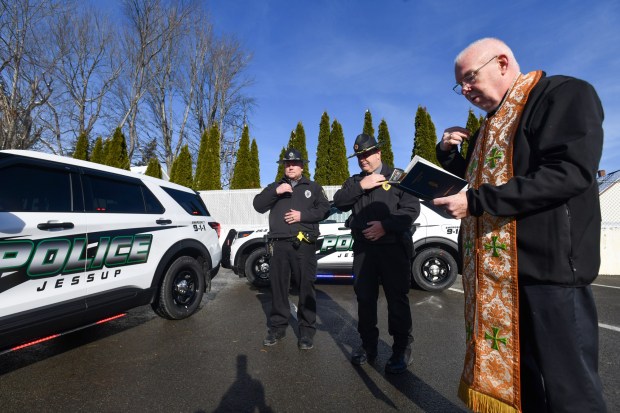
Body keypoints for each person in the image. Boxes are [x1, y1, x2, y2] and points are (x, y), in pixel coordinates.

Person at [434, 38, 607, 412]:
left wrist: (476, 202)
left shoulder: (563, 94)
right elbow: (476, 185)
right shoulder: (488, 127)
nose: (464, 90)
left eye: (469, 78)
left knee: (570, 393)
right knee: (521, 388)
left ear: (501, 62)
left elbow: (569, 173)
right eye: (459, 84)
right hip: (499, 279)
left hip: (550, 274)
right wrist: (448, 156)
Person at [333, 134, 420, 374]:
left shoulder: (397, 176)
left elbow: (412, 209)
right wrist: (362, 186)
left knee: (397, 299)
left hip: (393, 248)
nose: (363, 159)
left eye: (367, 154)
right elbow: (339, 202)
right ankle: (368, 345)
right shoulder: (354, 182)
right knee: (365, 299)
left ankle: (402, 347)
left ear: (379, 153)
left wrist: (385, 226)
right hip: (364, 251)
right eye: (359, 156)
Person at [253, 148, 329, 350]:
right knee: (278, 287)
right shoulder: (275, 187)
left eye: (294, 163)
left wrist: (302, 216)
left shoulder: (312, 187)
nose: (291, 166)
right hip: (279, 244)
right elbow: (258, 205)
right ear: (283, 166)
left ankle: (306, 331)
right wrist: (276, 192)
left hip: (304, 244)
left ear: (302, 166)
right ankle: (277, 327)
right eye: (287, 164)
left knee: (306, 287)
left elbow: (324, 209)